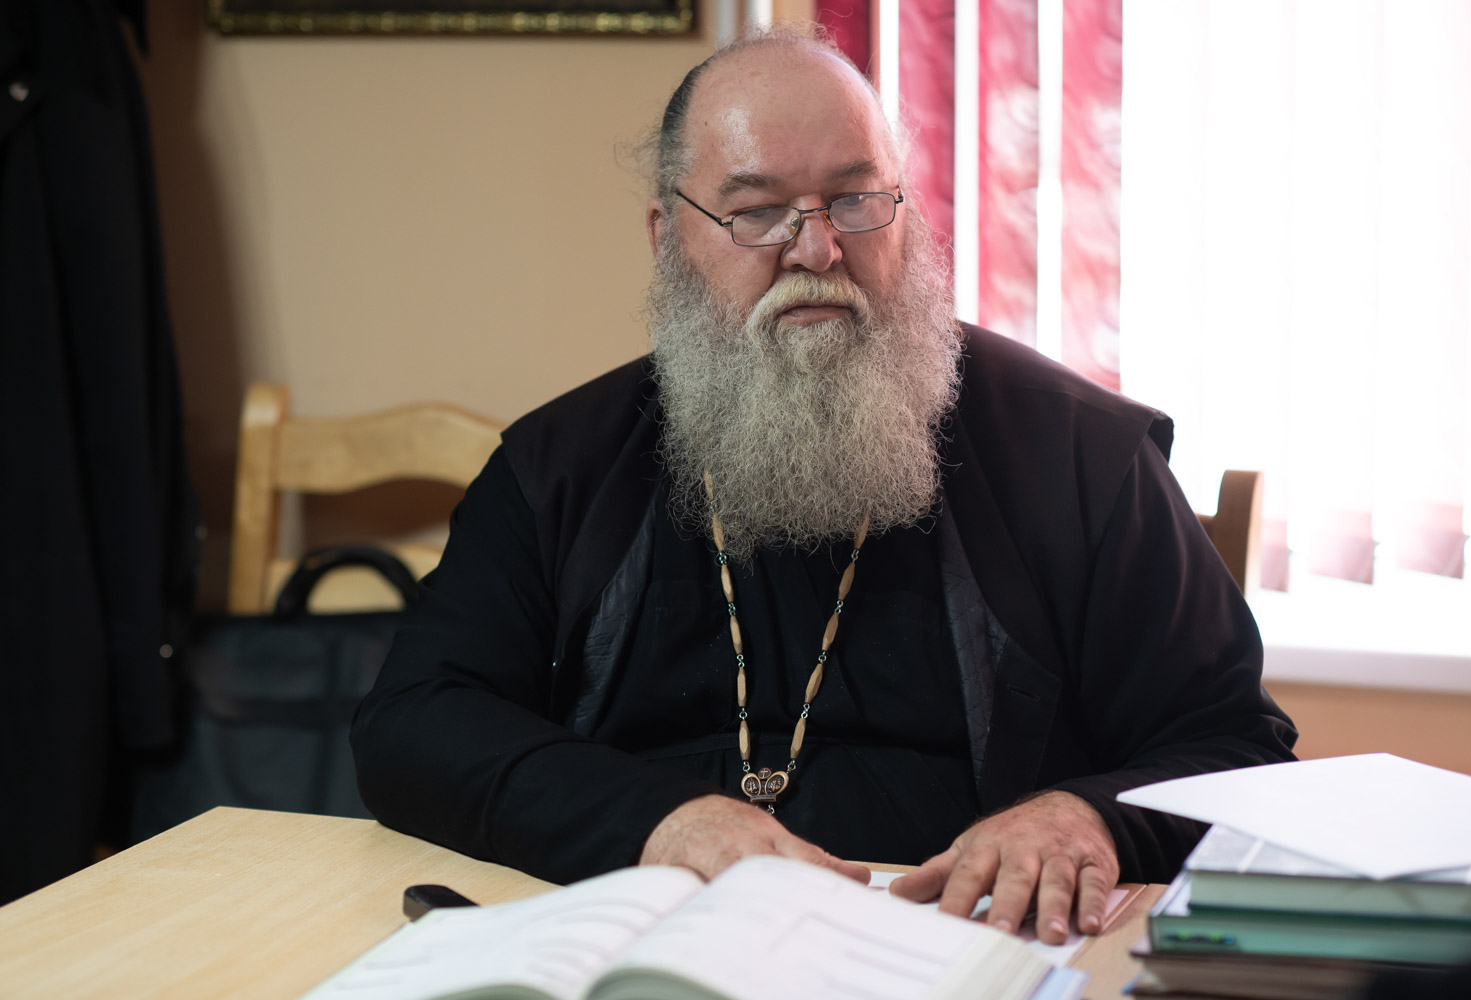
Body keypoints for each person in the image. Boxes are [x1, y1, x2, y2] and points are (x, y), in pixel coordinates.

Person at [351, 27, 1296, 946]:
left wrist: (1084, 817)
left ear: (903, 213)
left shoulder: (1080, 456)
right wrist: (660, 822)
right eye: (757, 210)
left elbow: (1236, 751)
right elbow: (412, 722)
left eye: (853, 200)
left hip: (967, 948)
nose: (815, 250)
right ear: (668, 237)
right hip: (638, 944)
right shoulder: (559, 466)